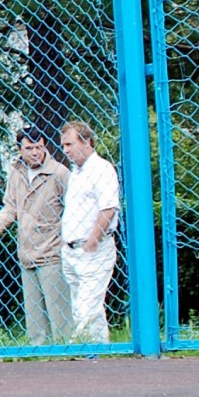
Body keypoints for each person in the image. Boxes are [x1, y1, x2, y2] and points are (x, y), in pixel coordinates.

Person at [0, 128, 71, 345]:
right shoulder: (16, 171)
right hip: (26, 253)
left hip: (53, 252)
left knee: (60, 317)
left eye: (39, 147)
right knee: (35, 321)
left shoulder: (60, 173)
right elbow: (10, 208)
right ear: (19, 149)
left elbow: (72, 210)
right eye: (29, 148)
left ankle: (68, 357)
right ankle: (41, 362)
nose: (35, 153)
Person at [58, 120, 121, 344]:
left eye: (69, 144)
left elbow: (109, 207)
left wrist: (93, 239)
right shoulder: (75, 173)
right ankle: (98, 350)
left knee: (86, 306)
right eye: (63, 145)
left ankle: (77, 347)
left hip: (93, 247)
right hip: (72, 249)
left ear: (86, 142)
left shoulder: (101, 169)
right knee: (85, 306)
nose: (66, 150)